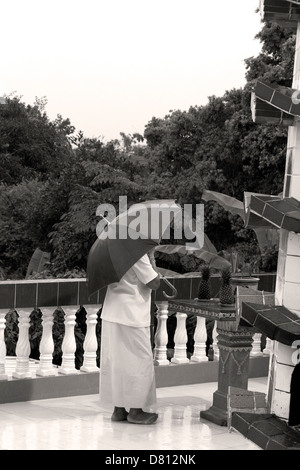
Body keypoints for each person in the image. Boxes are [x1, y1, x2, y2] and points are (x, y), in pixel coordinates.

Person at [99, 249, 160, 425]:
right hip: (132, 313)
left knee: (117, 362)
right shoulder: (137, 253)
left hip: (112, 311)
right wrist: (151, 258)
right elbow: (154, 282)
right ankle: (136, 410)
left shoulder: (111, 252)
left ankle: (118, 410)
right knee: (140, 361)